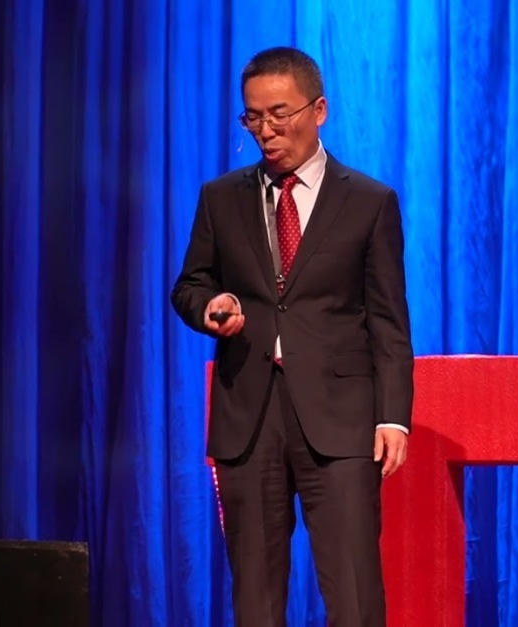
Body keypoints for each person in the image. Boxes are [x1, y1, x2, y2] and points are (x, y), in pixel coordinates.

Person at [170, 46, 413, 627]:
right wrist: (211, 307)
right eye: (253, 117)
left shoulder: (369, 202)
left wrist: (393, 416)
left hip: (341, 418)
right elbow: (190, 286)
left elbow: (388, 320)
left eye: (279, 114)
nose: (266, 130)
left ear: (318, 110)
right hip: (249, 416)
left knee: (354, 592)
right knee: (255, 597)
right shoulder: (220, 198)